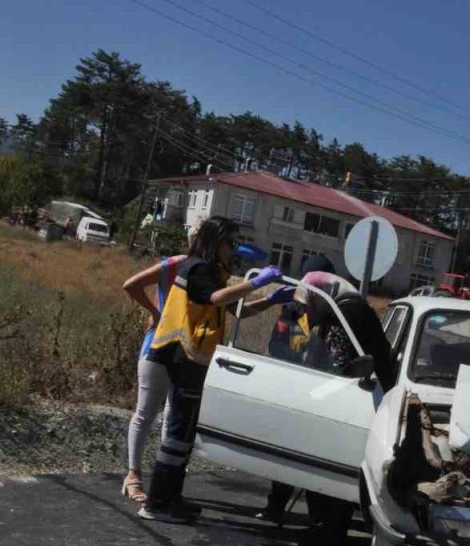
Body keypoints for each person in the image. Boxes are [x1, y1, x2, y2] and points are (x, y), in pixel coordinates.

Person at [139, 216, 294, 524]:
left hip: (194, 360)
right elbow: (216, 298)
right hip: (182, 356)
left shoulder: (211, 272)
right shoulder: (197, 268)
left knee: (184, 433)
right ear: (214, 242)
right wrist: (255, 282)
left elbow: (232, 309)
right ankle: (157, 504)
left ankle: (172, 497)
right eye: (230, 243)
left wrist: (267, 300)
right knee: (177, 434)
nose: (233, 250)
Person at [256, 262, 397, 523]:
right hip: (332, 394)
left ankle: (325, 526)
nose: (306, 310)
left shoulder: (345, 313)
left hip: (346, 400)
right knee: (301, 452)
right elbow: (284, 345)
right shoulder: (333, 308)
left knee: (317, 459)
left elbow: (341, 364)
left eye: (308, 303)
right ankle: (293, 512)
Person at [119, 251, 188, 502]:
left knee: (171, 416)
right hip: (158, 346)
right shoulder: (174, 265)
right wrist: (155, 311)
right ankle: (133, 475)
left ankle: (162, 480)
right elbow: (131, 284)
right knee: (146, 412)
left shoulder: (209, 271)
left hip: (186, 351)